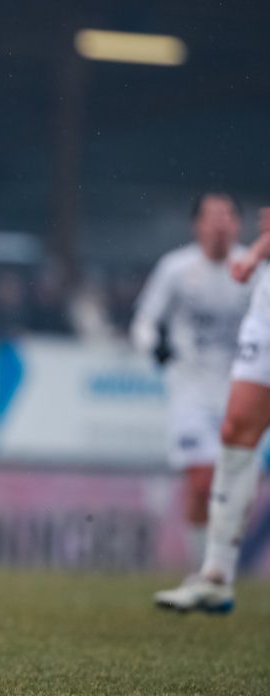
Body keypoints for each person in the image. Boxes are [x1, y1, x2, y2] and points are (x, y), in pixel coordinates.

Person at [155, 204, 270, 614]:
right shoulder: (176, 267)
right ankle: (215, 577)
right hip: (265, 310)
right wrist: (258, 253)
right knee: (236, 432)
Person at [132, 192, 252, 571]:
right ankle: (205, 569)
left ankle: (219, 566)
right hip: (191, 389)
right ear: (197, 225)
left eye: (227, 215)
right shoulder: (175, 269)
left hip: (243, 390)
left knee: (235, 488)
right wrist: (154, 346)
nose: (220, 224)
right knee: (202, 482)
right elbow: (145, 321)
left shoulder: (255, 271)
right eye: (212, 216)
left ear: (238, 225)